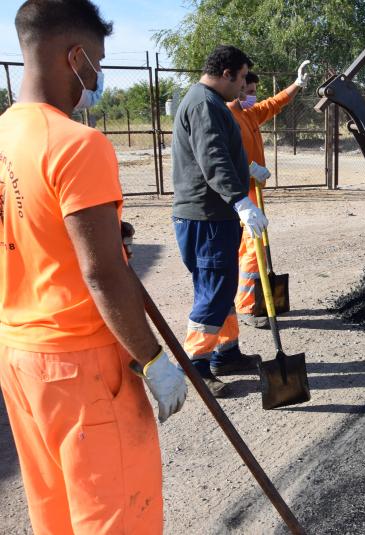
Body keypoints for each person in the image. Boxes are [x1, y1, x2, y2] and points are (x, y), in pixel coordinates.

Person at [0, 1, 187, 533]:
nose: (97, 76)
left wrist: (105, 233)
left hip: (18, 360)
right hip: (81, 369)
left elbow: (26, 226)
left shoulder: (4, 135)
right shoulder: (77, 145)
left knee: (55, 514)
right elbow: (102, 273)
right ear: (75, 56)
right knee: (116, 519)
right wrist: (153, 359)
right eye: (97, 63)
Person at [172, 45, 270, 397]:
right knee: (214, 290)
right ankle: (196, 363)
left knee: (222, 287)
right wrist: (240, 200)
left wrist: (248, 170)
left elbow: (223, 155)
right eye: (242, 78)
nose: (245, 86)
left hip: (213, 215)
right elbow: (212, 159)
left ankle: (225, 354)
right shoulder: (203, 104)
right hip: (206, 216)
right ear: (227, 73)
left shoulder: (210, 103)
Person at [229, 63, 311, 328]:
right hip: (240, 193)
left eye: (253, 91)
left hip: (252, 190)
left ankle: (244, 300)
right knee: (254, 248)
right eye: (246, 92)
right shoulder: (229, 116)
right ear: (235, 90)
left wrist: (297, 84)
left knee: (248, 248)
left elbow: (274, 103)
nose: (250, 97)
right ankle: (246, 306)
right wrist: (248, 168)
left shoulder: (250, 113)